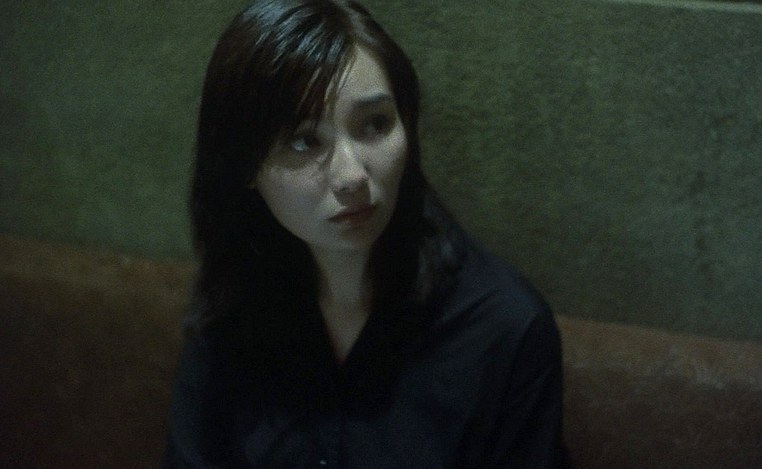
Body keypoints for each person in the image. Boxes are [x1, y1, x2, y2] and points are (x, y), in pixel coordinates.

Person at [164, 0, 568, 466]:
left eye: (374, 125)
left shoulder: (505, 328)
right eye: (304, 140)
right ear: (243, 166)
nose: (352, 175)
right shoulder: (233, 308)